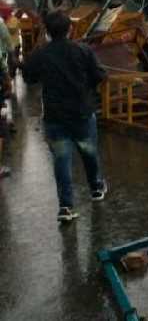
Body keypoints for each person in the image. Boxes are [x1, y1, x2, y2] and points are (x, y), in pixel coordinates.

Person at [23, 11, 108, 222]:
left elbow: (29, 78)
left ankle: (66, 207)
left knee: (61, 161)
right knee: (89, 153)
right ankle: (96, 188)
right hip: (82, 113)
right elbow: (99, 76)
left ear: (48, 31)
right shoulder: (83, 50)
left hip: (55, 117)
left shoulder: (41, 54)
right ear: (70, 29)